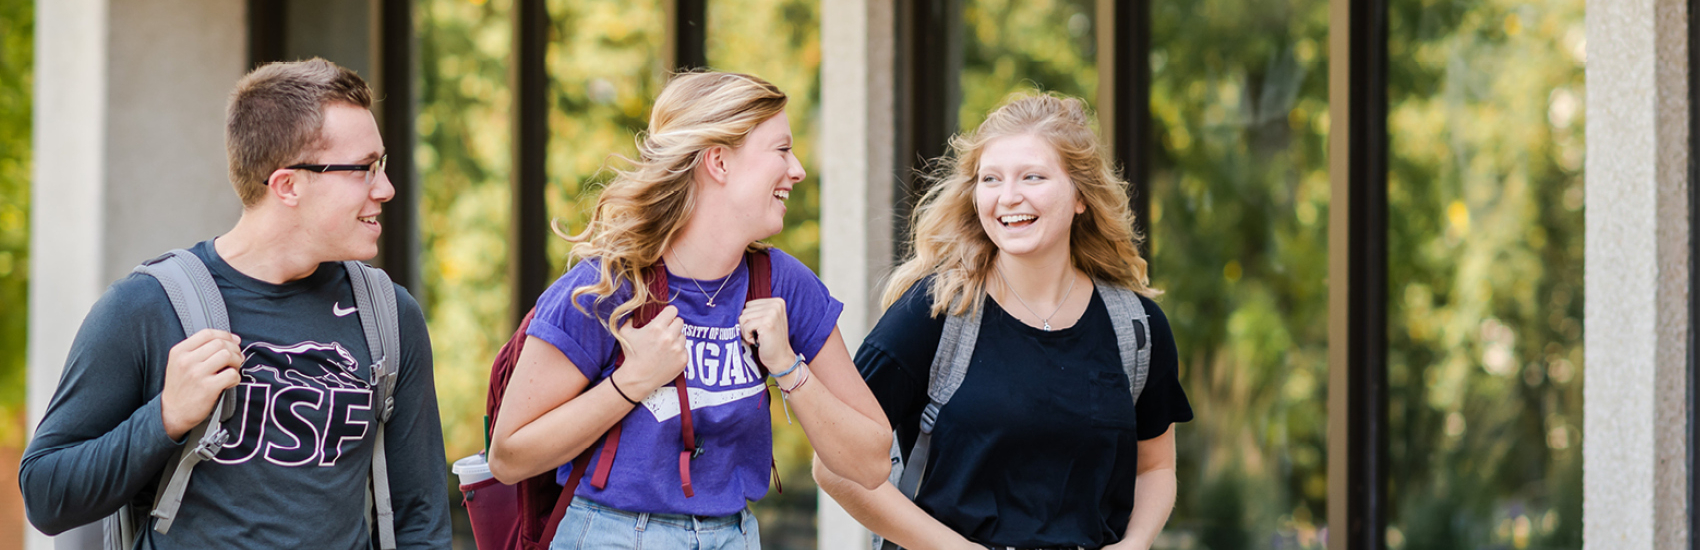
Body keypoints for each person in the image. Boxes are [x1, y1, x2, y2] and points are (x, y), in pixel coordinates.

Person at [20, 58, 451, 548]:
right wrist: (164, 417)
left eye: (383, 164)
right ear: (287, 185)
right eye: (363, 169)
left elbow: (421, 516)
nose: (385, 188)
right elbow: (46, 495)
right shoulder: (146, 306)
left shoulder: (389, 317)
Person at [486, 71, 891, 549]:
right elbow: (509, 457)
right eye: (781, 150)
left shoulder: (783, 285)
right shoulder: (607, 288)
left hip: (733, 535)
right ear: (718, 161)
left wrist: (788, 367)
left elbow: (872, 461)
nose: (798, 169)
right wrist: (631, 382)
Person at [815, 94, 1194, 550]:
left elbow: (1155, 466)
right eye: (991, 179)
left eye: (1032, 176)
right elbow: (836, 465)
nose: (1008, 196)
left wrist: (1134, 544)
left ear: (1080, 196)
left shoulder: (1135, 326)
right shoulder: (934, 311)